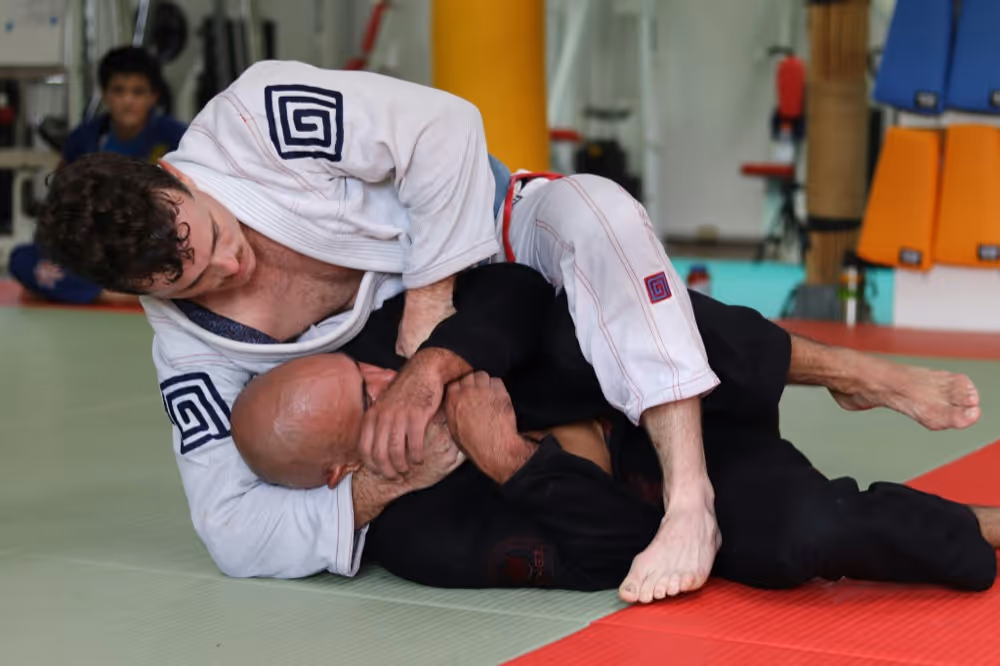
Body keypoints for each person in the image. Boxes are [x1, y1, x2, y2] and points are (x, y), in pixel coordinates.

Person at [34, 60, 730, 594]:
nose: (229, 261)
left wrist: (430, 301)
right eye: (197, 279)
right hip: (438, 392)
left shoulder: (254, 120)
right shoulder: (191, 351)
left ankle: (690, 501)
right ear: (140, 296)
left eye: (210, 232)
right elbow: (232, 532)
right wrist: (383, 487)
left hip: (496, 233)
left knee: (598, 210)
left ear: (171, 176)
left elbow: (444, 125)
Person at [231, 263, 995, 600]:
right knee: (801, 539)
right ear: (341, 471)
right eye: (365, 405)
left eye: (363, 374)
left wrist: (437, 361)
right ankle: (985, 529)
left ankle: (850, 373)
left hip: (683, 377)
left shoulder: (399, 355)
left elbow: (520, 287)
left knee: (604, 313)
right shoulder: (421, 539)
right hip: (676, 479)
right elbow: (610, 553)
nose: (382, 385)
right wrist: (511, 463)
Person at [11, 46, 186, 305]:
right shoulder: (84, 139)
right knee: (22, 259)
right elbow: (57, 206)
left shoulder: (176, 138)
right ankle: (107, 292)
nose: (128, 100)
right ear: (105, 95)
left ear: (153, 97)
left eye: (138, 92)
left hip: (150, 247)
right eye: (119, 91)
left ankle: (89, 288)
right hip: (94, 249)